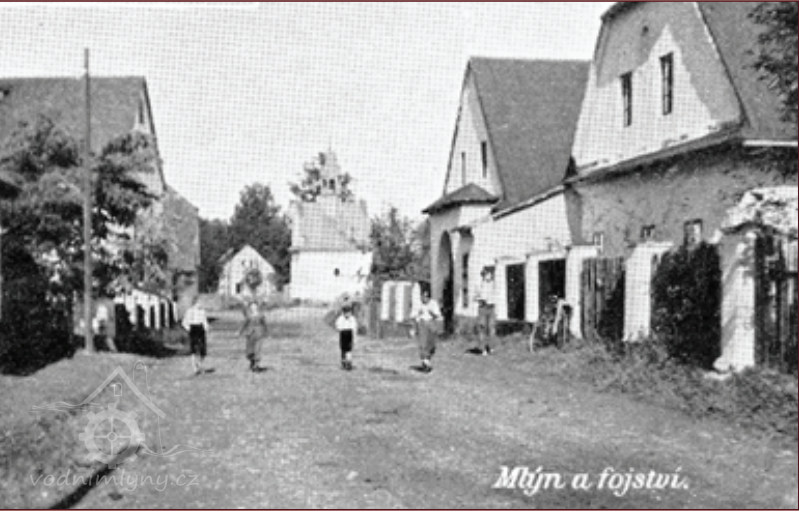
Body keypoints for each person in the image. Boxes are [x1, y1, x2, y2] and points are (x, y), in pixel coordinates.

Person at [411, 289, 442, 373]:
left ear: (429, 298)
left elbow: (438, 315)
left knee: (431, 345)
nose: (424, 298)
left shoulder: (433, 303)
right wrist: (418, 314)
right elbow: (413, 316)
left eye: (426, 297)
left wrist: (432, 313)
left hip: (431, 323)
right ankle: (425, 362)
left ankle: (426, 360)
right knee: (423, 343)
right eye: (423, 297)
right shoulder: (418, 304)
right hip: (422, 323)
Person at [182, 296, 210, 375]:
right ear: (195, 302)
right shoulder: (189, 311)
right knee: (193, 349)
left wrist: (206, 327)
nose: (201, 304)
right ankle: (194, 367)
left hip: (201, 329)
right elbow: (184, 322)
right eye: (199, 302)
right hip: (193, 328)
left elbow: (204, 321)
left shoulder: (202, 311)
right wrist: (189, 329)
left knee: (203, 349)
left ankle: (199, 364)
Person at [238, 301, 268, 372]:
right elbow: (245, 324)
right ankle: (252, 362)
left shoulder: (261, 315)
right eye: (252, 306)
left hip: (259, 334)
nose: (253, 308)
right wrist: (240, 331)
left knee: (257, 350)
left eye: (255, 306)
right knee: (249, 351)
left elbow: (264, 324)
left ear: (257, 307)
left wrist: (266, 332)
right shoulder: (248, 315)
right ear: (250, 307)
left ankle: (256, 366)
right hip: (250, 334)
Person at [473, 265, 496, 356]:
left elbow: (496, 295)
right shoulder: (478, 285)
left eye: (490, 274)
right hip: (482, 307)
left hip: (491, 307)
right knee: (482, 328)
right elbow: (474, 297)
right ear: (484, 275)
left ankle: (490, 347)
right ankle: (483, 349)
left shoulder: (493, 284)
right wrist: (480, 299)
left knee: (491, 328)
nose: (489, 276)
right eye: (487, 274)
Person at [335, 304, 358, 371]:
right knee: (343, 349)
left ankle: (349, 364)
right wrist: (340, 329)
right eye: (346, 312)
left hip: (350, 334)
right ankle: (343, 363)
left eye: (349, 312)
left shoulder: (352, 319)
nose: (348, 314)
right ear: (343, 312)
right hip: (343, 333)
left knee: (349, 349)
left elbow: (354, 328)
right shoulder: (340, 318)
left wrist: (354, 337)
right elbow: (337, 325)